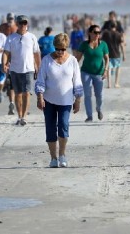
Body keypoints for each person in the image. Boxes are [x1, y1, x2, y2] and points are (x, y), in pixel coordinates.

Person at [35, 33, 83, 168]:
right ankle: (53, 158)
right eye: (57, 49)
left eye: (63, 49)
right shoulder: (46, 60)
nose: (60, 52)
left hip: (66, 101)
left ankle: (62, 155)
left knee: (63, 126)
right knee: (50, 129)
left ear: (66, 47)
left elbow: (77, 81)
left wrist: (78, 100)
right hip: (48, 101)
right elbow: (40, 80)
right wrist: (40, 97)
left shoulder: (72, 60)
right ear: (54, 47)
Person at [2, 15, 41, 125]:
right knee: (18, 94)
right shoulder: (11, 38)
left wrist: (39, 67)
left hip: (29, 69)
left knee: (27, 93)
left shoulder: (32, 37)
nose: (23, 25)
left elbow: (37, 54)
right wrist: (4, 64)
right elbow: (6, 53)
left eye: (25, 23)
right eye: (21, 23)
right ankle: (19, 116)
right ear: (17, 24)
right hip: (14, 69)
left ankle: (24, 116)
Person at [75, 25, 109, 122]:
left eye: (99, 33)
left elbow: (107, 58)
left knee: (99, 95)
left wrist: (106, 70)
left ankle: (99, 109)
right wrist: (71, 69)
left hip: (99, 73)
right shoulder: (84, 44)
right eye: (95, 32)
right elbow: (77, 58)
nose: (97, 34)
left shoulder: (103, 45)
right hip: (86, 72)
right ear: (90, 33)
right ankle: (89, 116)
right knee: (88, 94)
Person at [0, 12, 18, 115]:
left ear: (14, 19)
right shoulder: (3, 26)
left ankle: (16, 103)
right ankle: (12, 103)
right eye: (9, 18)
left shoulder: (17, 27)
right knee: (10, 80)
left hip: (16, 56)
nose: (10, 19)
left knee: (14, 81)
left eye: (12, 18)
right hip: (5, 55)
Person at [101, 21, 126, 88]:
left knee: (109, 68)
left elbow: (101, 42)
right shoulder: (118, 34)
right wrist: (124, 55)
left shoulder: (106, 34)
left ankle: (109, 84)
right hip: (116, 54)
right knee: (118, 68)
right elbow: (121, 45)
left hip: (108, 54)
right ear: (115, 27)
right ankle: (116, 83)